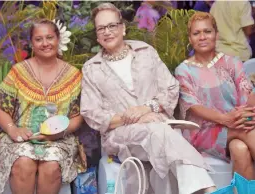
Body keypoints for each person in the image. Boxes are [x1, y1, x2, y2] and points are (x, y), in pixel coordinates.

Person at [80, 3, 216, 194]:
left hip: (157, 124)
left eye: (112, 25)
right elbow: (91, 113)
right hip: (120, 135)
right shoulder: (91, 68)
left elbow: (170, 87)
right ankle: (206, 188)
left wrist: (146, 109)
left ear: (123, 27)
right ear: (97, 34)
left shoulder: (145, 52)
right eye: (101, 28)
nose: (107, 32)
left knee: (159, 134)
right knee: (158, 132)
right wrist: (135, 118)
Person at [0, 19, 84, 194]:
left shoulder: (73, 76)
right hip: (20, 137)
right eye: (38, 39)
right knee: (23, 162)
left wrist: (60, 132)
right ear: (32, 43)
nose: (45, 43)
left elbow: (79, 115)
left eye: (49, 37)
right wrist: (13, 129)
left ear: (58, 39)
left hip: (59, 139)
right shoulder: (18, 72)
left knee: (51, 166)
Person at [175, 12, 255, 180]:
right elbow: (194, 107)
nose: (202, 37)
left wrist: (247, 116)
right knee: (248, 132)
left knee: (239, 149)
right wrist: (226, 119)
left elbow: (246, 94)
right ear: (190, 38)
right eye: (196, 33)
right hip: (204, 131)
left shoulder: (232, 62)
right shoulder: (184, 70)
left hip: (237, 124)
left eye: (207, 31)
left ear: (216, 34)